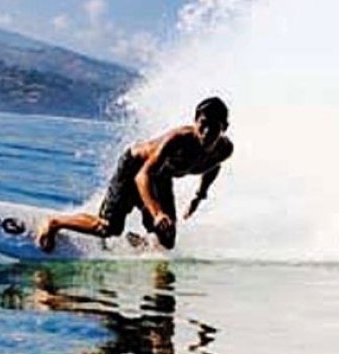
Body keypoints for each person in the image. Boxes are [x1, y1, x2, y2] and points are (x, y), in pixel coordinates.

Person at [37, 96, 233, 252]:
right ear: (195, 121)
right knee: (108, 228)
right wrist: (157, 213)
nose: (206, 132)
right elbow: (142, 176)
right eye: (203, 124)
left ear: (224, 127)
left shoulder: (223, 150)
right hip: (135, 167)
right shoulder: (178, 139)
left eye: (214, 127)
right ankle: (55, 222)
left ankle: (140, 242)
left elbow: (213, 166)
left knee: (167, 239)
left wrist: (199, 196)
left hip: (161, 178)